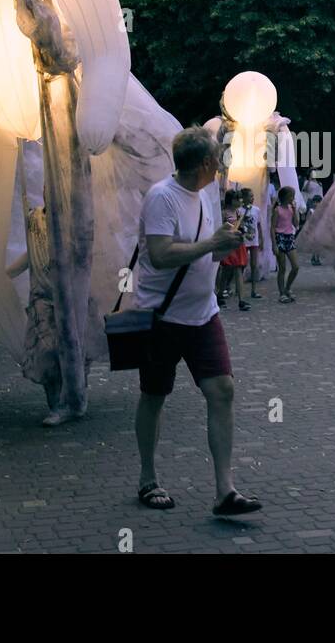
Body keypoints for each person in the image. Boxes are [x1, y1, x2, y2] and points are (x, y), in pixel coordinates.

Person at [132, 127, 260, 516]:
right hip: (162, 317)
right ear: (204, 164)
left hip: (203, 314)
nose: (221, 165)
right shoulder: (161, 198)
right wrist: (211, 245)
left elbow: (206, 254)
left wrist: (224, 247)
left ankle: (225, 491)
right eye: (218, 159)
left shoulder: (206, 196)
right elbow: (160, 254)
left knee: (222, 390)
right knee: (155, 396)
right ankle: (148, 479)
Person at [216, 189, 250, 310]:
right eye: (237, 199)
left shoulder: (239, 213)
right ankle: (219, 295)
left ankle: (241, 300)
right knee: (226, 270)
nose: (240, 201)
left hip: (238, 243)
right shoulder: (224, 213)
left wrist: (244, 231)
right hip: (228, 243)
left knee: (238, 269)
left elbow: (242, 227)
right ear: (231, 200)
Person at [271, 185, 301, 303]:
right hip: (280, 237)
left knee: (295, 266)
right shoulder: (277, 210)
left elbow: (296, 224)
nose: (292, 198)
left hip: (289, 236)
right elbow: (272, 227)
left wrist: (294, 211)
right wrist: (274, 244)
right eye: (291, 196)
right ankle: (281, 292)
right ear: (284, 197)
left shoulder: (291, 208)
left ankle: (288, 288)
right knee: (282, 268)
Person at [239, 187, 263, 300]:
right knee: (242, 265)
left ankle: (254, 290)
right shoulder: (239, 210)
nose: (252, 198)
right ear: (243, 198)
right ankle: (239, 289)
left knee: (254, 265)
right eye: (250, 196)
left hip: (254, 239)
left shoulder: (256, 210)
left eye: (253, 196)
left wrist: (261, 239)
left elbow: (258, 225)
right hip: (243, 240)